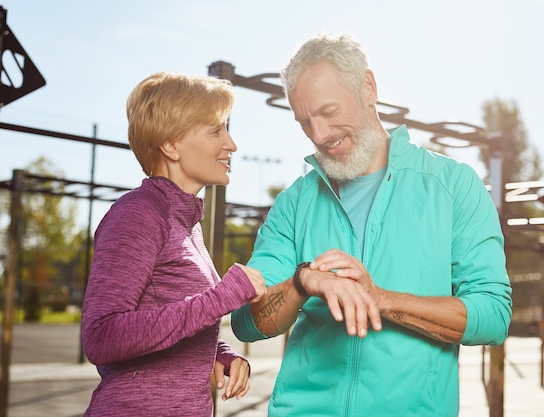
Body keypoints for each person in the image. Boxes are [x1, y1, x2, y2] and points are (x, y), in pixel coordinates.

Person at [231, 32, 512, 416]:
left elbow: (492, 315)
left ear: (368, 87)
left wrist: (382, 300)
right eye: (304, 122)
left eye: (329, 112)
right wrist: (301, 283)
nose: (318, 135)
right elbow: (247, 322)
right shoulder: (294, 203)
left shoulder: (454, 186)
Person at [81, 71, 266, 417]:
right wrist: (222, 297)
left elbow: (174, 319)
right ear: (170, 145)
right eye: (216, 130)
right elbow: (100, 336)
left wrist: (219, 354)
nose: (231, 143)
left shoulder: (186, 222)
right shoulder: (137, 214)